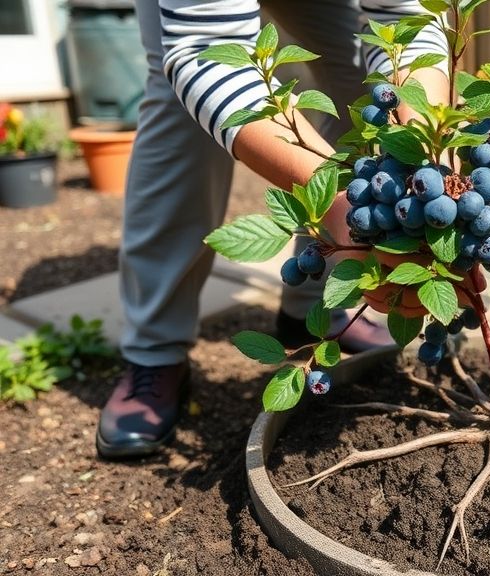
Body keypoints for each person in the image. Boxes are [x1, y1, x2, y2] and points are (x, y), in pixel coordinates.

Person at [97, 0, 452, 459]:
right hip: (200, 20)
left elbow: (405, 20)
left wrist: (432, 161)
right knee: (180, 100)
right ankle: (154, 348)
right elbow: (204, 45)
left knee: (357, 78)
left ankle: (311, 309)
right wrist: (340, 204)